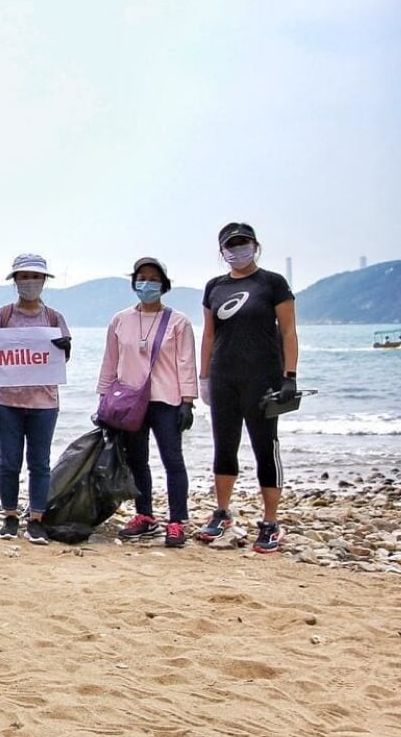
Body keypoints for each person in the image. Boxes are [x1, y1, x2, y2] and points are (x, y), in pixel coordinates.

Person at [197, 223, 298, 554]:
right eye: (231, 245)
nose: (237, 250)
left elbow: (288, 332)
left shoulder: (272, 283)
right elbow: (209, 334)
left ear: (255, 245)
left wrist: (290, 376)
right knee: (224, 446)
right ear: (222, 251)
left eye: (243, 244)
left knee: (264, 447)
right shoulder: (215, 286)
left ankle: (270, 523)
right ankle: (222, 513)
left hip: (264, 379)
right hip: (224, 378)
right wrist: (204, 378)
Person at [0, 253, 71, 545]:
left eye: (35, 277)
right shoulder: (2, 315)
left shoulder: (54, 318)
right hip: (4, 402)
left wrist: (66, 347)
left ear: (44, 281)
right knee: (9, 460)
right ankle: (10, 516)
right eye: (24, 277)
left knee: (40, 462)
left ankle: (36, 519)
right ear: (15, 281)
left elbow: (62, 358)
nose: (30, 282)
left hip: (44, 402)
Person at [97, 257, 199, 548]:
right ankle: (145, 516)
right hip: (130, 402)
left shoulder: (178, 321)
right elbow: (110, 361)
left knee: (173, 460)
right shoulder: (120, 320)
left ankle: (177, 521)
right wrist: (103, 398)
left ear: (164, 285)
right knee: (137, 461)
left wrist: (188, 401)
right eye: (142, 277)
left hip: (166, 400)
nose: (147, 283)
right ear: (134, 282)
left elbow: (186, 363)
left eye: (154, 278)